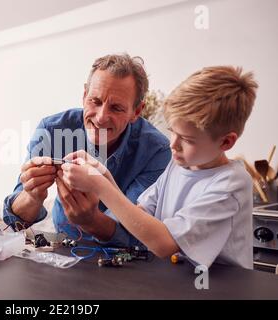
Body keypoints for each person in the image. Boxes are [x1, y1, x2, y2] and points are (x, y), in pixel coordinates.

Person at [60, 66, 257, 268]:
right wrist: (104, 175)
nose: (173, 144)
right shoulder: (179, 165)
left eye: (187, 140)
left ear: (226, 142)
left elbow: (163, 244)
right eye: (173, 132)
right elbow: (139, 215)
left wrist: (99, 186)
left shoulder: (231, 183)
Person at [3, 53, 171, 247]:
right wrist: (31, 196)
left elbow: (139, 233)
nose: (101, 118)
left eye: (116, 108)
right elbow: (14, 221)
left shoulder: (156, 151)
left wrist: (91, 221)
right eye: (95, 101)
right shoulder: (52, 129)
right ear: (84, 96)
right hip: (63, 244)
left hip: (126, 260)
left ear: (137, 111)